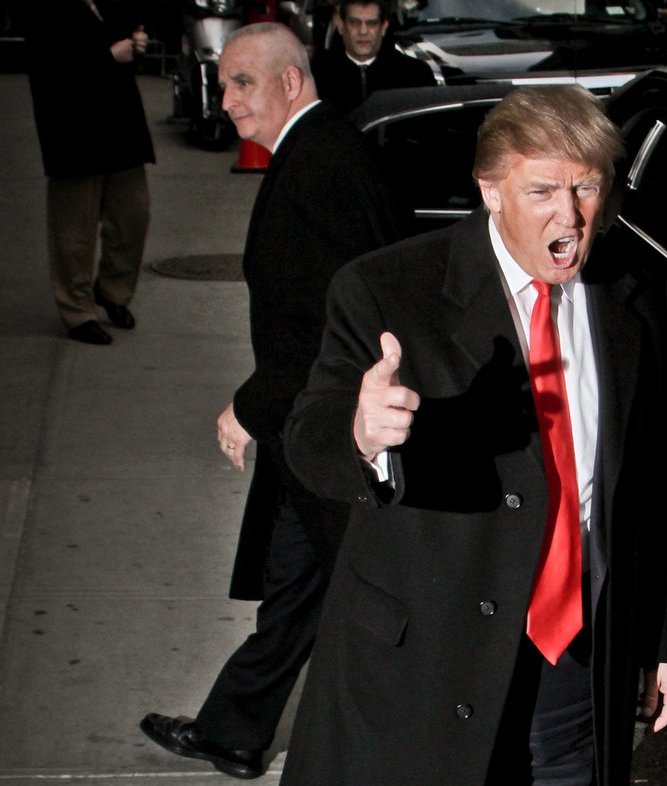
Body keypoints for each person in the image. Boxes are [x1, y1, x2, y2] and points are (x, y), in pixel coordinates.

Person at [279, 85, 667, 785]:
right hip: (428, 668)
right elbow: (307, 439)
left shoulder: (637, 293)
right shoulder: (388, 289)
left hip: (577, 666)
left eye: (586, 188)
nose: (569, 216)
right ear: (490, 189)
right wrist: (361, 434)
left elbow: (659, 476)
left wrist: (665, 640)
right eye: (542, 191)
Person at [139, 22, 408, 779]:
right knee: (300, 580)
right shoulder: (325, 150)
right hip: (322, 431)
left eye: (243, 83)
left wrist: (247, 409)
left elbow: (318, 329)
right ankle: (233, 729)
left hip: (333, 432)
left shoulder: (316, 169)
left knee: (366, 596)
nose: (225, 101)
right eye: (225, 83)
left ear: (291, 82)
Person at [26, 0, 155, 345]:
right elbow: (49, 67)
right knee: (73, 230)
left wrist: (136, 44)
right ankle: (77, 310)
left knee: (132, 216)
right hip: (72, 128)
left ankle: (113, 291)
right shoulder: (44, 8)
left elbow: (129, 34)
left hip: (120, 122)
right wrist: (109, 57)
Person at [312, 0, 435, 116]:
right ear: (341, 26)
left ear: (383, 27)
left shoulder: (415, 74)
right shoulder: (317, 74)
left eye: (371, 23)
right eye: (354, 23)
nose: (363, 31)